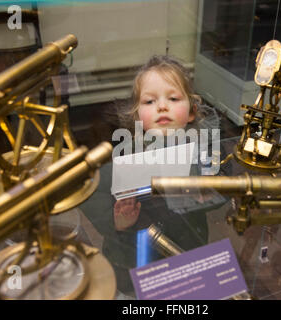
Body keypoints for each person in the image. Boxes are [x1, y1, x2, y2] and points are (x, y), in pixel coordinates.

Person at [79, 55, 224, 297]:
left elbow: (226, 181)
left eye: (174, 98)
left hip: (185, 252)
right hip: (132, 258)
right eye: (149, 101)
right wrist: (115, 221)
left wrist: (207, 191)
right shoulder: (125, 153)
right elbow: (92, 188)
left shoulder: (205, 148)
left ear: (191, 112)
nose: (162, 106)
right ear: (137, 116)